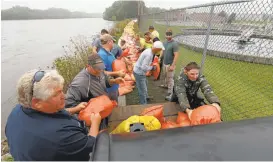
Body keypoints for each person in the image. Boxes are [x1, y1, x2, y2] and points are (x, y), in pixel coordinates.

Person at [5, 69, 102, 161]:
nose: (64, 96)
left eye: (61, 91)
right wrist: (95, 123)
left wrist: (74, 109)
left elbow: (50, 114)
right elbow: (92, 146)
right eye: (56, 94)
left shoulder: (17, 111)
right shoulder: (62, 137)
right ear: (37, 103)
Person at [98, 34, 125, 102]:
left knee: (116, 102)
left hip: (114, 85)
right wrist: (117, 73)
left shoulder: (109, 53)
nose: (113, 43)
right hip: (109, 89)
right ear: (109, 42)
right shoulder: (102, 55)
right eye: (113, 41)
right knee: (113, 106)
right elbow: (101, 72)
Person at [160, 29, 179, 99]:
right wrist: (159, 57)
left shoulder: (174, 44)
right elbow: (163, 50)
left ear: (172, 35)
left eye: (170, 34)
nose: (168, 36)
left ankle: (170, 93)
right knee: (165, 76)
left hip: (170, 64)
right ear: (165, 35)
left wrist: (173, 65)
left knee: (170, 79)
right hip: (165, 63)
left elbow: (176, 55)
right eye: (167, 34)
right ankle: (166, 85)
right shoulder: (164, 42)